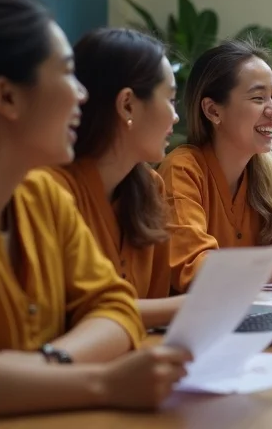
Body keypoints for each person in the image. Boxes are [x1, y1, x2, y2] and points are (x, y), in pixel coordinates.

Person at [0, 0, 191, 422]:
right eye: (66, 73)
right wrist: (102, 383)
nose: (82, 94)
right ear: (7, 97)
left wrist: (48, 364)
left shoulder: (41, 198)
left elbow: (114, 307)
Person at [44, 28, 181, 329]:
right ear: (128, 105)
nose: (176, 116)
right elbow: (69, 313)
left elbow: (155, 307)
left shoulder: (150, 187)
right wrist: (196, 305)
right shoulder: (50, 190)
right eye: (170, 100)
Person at [159, 39, 272, 293]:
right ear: (213, 111)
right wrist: (263, 268)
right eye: (258, 98)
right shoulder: (182, 170)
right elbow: (192, 269)